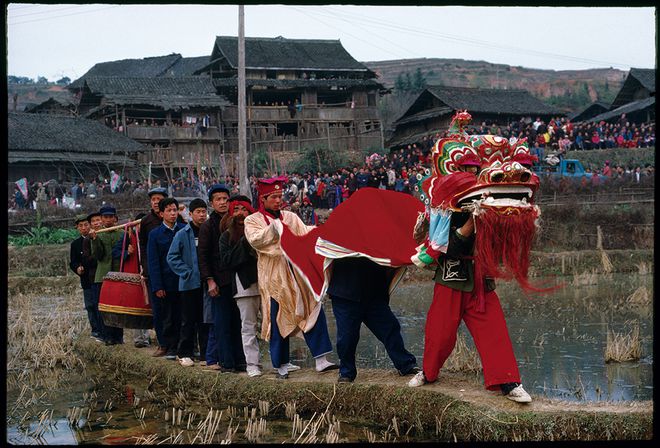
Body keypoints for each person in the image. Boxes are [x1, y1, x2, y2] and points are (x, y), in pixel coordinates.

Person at [407, 159, 532, 403]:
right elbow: (447, 247)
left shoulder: (489, 200)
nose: (471, 173)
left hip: (480, 279)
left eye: (474, 169)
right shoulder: (444, 206)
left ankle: (509, 383)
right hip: (451, 278)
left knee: (494, 331)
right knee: (440, 333)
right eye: (466, 169)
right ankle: (429, 373)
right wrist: (471, 221)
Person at [244, 176, 337, 379]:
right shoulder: (252, 220)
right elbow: (257, 241)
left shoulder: (290, 217)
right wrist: (274, 229)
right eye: (273, 197)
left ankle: (321, 359)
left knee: (314, 306)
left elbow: (304, 235)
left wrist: (323, 231)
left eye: (280, 196)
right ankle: (281, 363)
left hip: (297, 272)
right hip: (274, 277)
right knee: (278, 316)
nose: (278, 201)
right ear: (264, 199)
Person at [327, 257, 419, 383]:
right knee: (347, 337)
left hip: (374, 290)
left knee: (390, 328)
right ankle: (346, 372)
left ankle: (405, 364)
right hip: (345, 291)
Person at [219, 196, 262, 377]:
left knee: (274, 324)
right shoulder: (226, 237)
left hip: (266, 284)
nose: (240, 214)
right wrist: (245, 241)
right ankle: (252, 364)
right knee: (248, 327)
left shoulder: (261, 230)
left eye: (243, 209)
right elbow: (227, 261)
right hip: (244, 288)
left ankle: (281, 361)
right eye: (235, 210)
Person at [166, 198, 209, 367]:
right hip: (189, 284)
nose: (202, 215)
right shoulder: (183, 233)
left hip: (206, 283)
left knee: (205, 320)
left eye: (204, 211)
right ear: (190, 214)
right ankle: (184, 353)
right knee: (188, 319)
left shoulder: (208, 231)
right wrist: (186, 272)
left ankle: (206, 354)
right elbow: (172, 257)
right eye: (198, 212)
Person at [198, 184, 233, 371]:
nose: (222, 203)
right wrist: (209, 280)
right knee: (220, 322)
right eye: (218, 199)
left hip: (233, 279)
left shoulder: (233, 221)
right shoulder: (207, 226)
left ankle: (235, 360)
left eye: (225, 199)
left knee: (235, 321)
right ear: (211, 203)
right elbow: (202, 257)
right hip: (217, 280)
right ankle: (222, 361)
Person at [147, 197, 185, 360]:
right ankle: (168, 346)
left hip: (183, 280)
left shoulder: (184, 230)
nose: (172, 213)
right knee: (167, 315)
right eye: (168, 211)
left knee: (183, 314)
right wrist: (157, 286)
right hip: (165, 280)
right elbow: (153, 262)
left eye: (175, 210)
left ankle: (184, 346)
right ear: (161, 213)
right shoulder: (155, 234)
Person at [112, 213, 151, 348]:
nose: (141, 227)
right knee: (137, 306)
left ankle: (147, 336)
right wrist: (127, 253)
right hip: (133, 278)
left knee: (147, 306)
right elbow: (115, 253)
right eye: (139, 224)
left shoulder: (149, 236)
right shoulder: (128, 237)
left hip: (147, 276)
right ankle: (139, 338)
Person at [139, 187, 169, 357]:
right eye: (153, 199)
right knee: (158, 310)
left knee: (174, 309)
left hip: (172, 270)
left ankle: (177, 343)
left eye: (159, 199)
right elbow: (142, 245)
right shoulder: (147, 221)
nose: (156, 202)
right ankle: (162, 344)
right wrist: (145, 265)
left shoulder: (174, 217)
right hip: (153, 271)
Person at [89, 205, 124, 345]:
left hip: (119, 275)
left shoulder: (122, 233)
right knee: (103, 308)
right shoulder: (99, 234)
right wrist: (95, 240)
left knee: (118, 307)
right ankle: (107, 336)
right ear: (102, 219)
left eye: (111, 217)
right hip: (102, 276)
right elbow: (97, 255)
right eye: (105, 217)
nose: (108, 220)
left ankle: (118, 337)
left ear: (115, 218)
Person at [70, 214, 103, 342]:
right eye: (80, 226)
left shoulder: (96, 238)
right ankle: (95, 329)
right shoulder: (75, 244)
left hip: (98, 276)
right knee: (90, 305)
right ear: (77, 228)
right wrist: (77, 268)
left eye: (86, 225)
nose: (84, 228)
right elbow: (73, 262)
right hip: (86, 279)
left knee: (99, 304)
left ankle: (103, 329)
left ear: (89, 225)